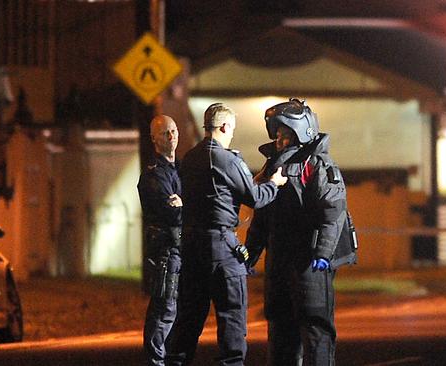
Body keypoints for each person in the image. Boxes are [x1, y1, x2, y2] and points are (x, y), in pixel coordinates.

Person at [167, 103, 287, 366]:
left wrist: (251, 180)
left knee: (188, 319)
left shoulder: (191, 157)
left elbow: (218, 190)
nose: (231, 134)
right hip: (221, 248)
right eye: (231, 129)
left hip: (191, 246)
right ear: (224, 127)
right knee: (231, 318)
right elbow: (255, 198)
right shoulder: (228, 159)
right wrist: (274, 184)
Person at [245, 98, 355, 366]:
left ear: (301, 131)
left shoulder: (317, 165)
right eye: (277, 134)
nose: (280, 140)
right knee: (280, 329)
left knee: (315, 327)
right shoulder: (271, 168)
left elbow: (333, 212)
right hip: (279, 259)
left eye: (285, 134)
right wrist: (251, 253)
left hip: (309, 262)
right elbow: (261, 217)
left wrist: (324, 253)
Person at [138, 115, 183, 366]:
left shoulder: (180, 170)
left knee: (179, 311)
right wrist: (183, 205)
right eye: (165, 132)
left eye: (174, 130)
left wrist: (184, 203)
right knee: (164, 308)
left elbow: (187, 206)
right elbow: (172, 211)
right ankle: (156, 361)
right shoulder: (154, 175)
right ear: (154, 138)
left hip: (181, 247)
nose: (171, 136)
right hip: (165, 249)